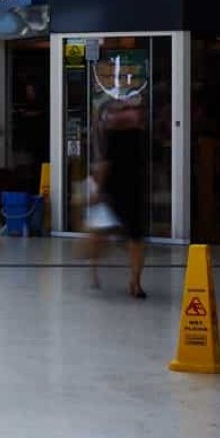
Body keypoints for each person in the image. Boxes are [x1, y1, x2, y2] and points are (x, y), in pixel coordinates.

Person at [87, 97, 149, 298]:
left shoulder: (112, 136)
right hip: (135, 188)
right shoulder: (140, 136)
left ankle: (94, 271)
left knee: (100, 230)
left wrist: (97, 189)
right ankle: (135, 282)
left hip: (114, 189)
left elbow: (104, 164)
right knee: (136, 238)